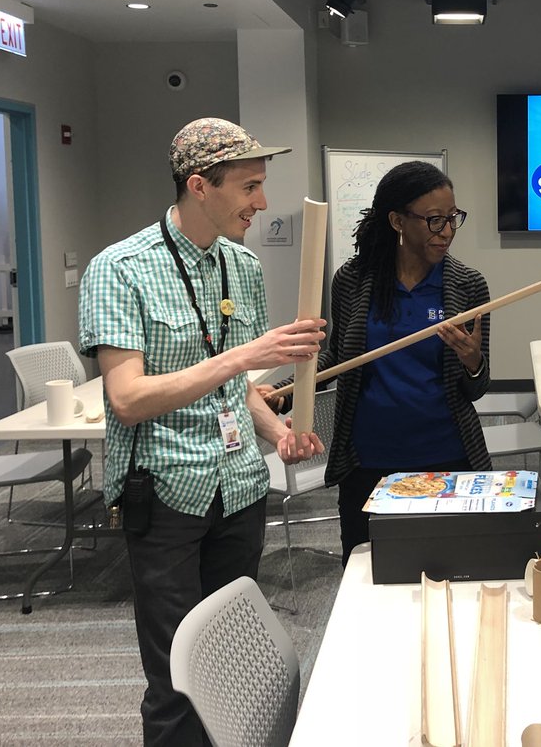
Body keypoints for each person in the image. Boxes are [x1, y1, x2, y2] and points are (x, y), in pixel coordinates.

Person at [79, 117, 326, 746]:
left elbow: (234, 388)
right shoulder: (120, 269)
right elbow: (128, 399)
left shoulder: (240, 267)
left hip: (239, 486)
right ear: (199, 186)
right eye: (249, 187)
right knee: (176, 677)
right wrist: (245, 357)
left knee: (231, 663)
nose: (262, 202)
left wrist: (276, 432)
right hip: (166, 494)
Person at [264, 161, 492, 562]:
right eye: (434, 220)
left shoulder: (468, 285)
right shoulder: (352, 280)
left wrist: (473, 361)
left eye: (453, 219)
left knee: (454, 571)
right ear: (397, 221)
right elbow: (337, 356)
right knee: (368, 576)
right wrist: (286, 390)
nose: (448, 232)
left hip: (448, 456)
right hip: (369, 461)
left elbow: (476, 388)